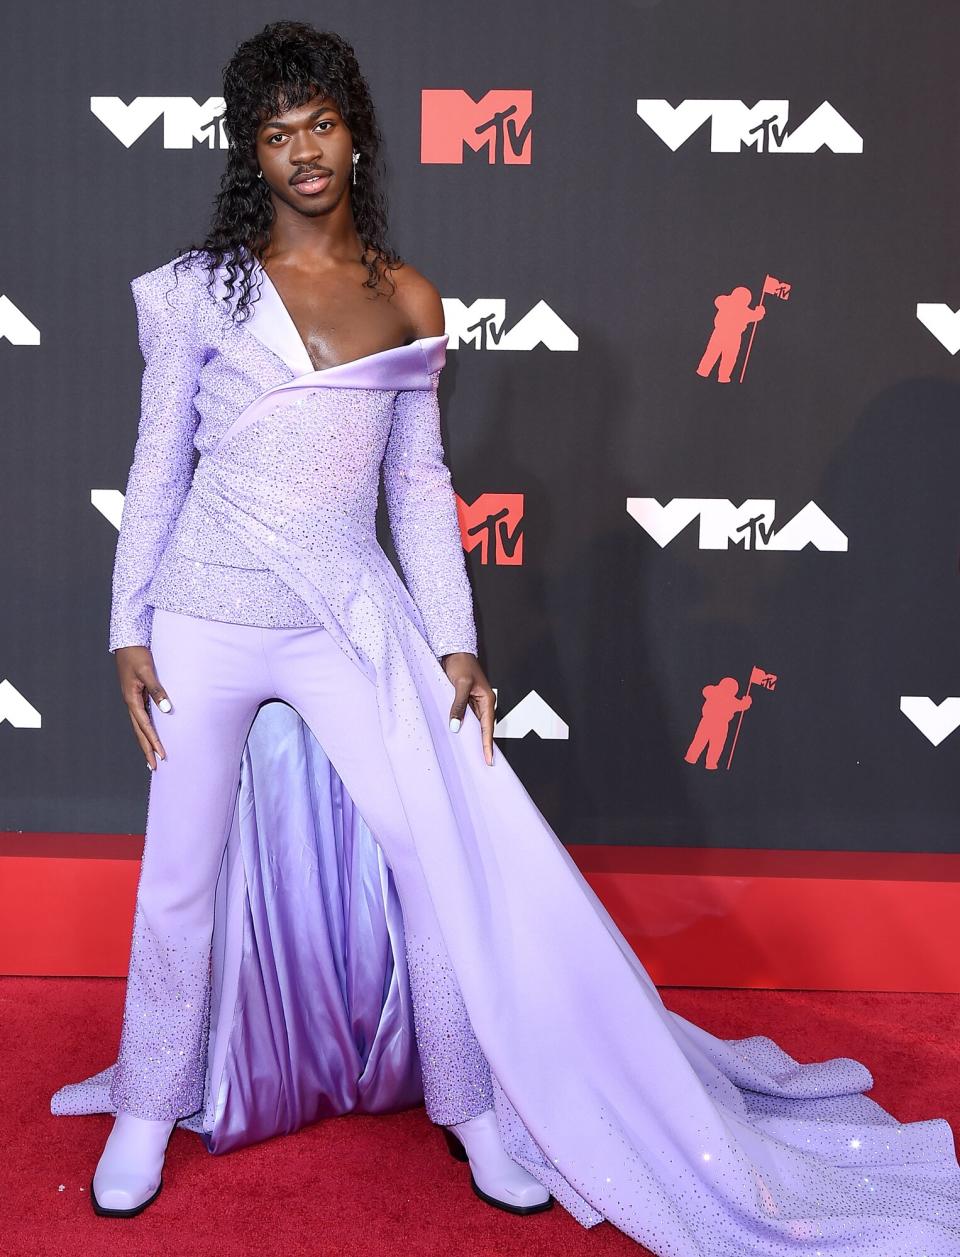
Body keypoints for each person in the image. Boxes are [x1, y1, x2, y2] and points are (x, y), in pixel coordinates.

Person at [52, 21, 960, 1254]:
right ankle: (150, 1108)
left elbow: (420, 489)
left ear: (356, 132)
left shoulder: (410, 297)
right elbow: (155, 468)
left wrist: (455, 641)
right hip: (203, 618)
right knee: (178, 888)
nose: (303, 151)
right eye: (276, 133)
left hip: (349, 622)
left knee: (439, 865)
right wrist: (125, 626)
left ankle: (473, 1104)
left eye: (320, 123)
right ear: (249, 153)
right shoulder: (197, 291)